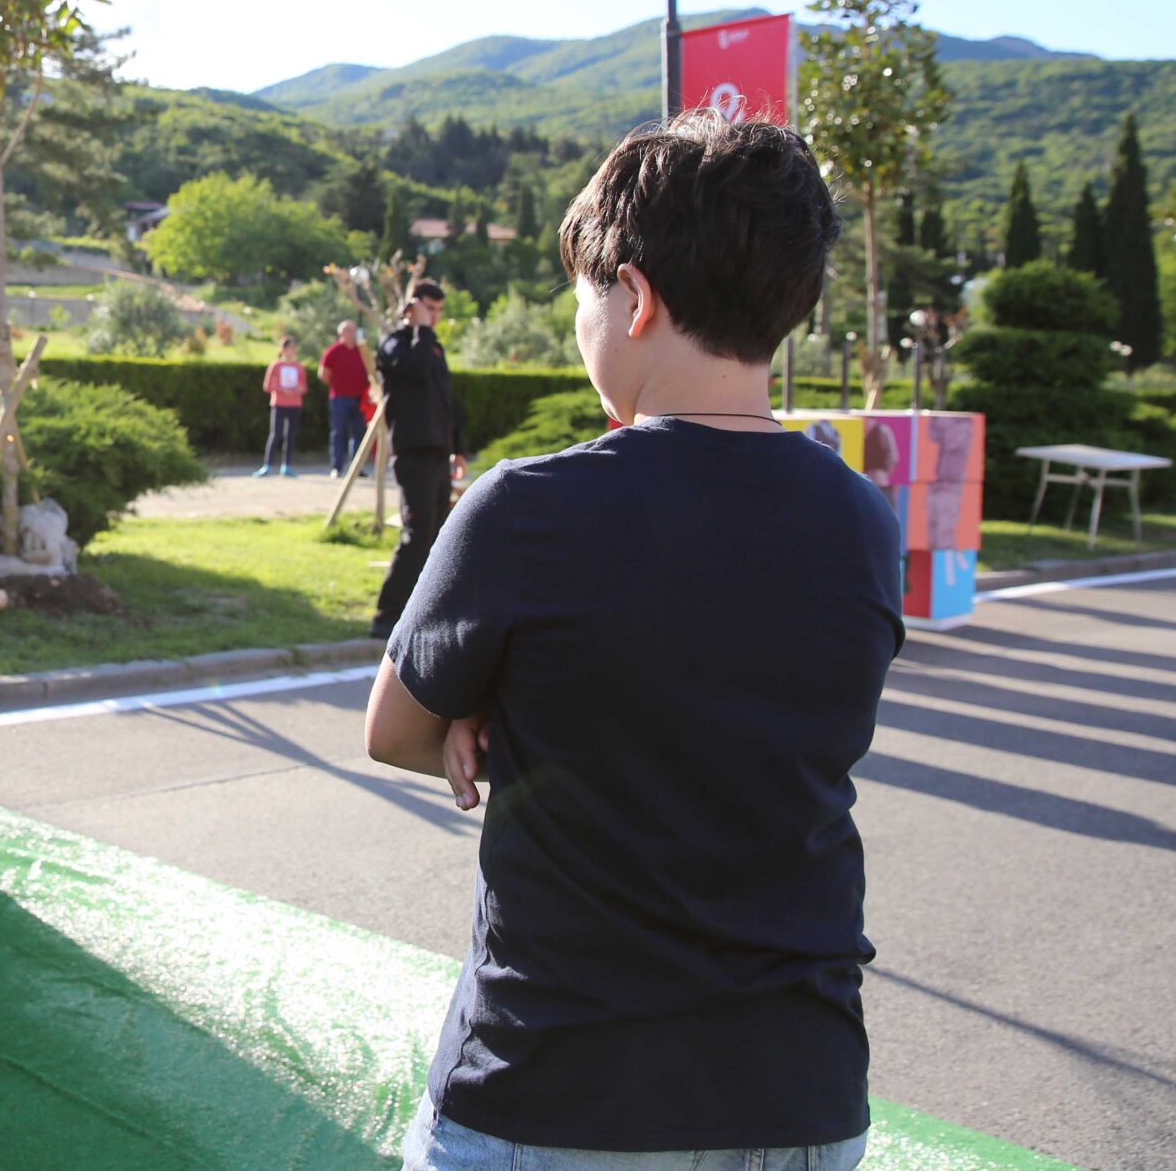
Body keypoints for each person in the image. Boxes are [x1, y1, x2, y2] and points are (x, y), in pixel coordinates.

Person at [364, 116, 899, 1170]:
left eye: (582, 295)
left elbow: (394, 731)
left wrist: (488, 711)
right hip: (799, 1093)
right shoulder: (861, 520)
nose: (581, 323)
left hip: (557, 1087)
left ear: (636, 298)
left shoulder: (529, 508)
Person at [368, 282, 463, 636]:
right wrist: (418, 328)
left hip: (438, 454)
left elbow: (447, 401)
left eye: (438, 311)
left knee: (438, 535)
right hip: (412, 453)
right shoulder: (394, 344)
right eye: (429, 309)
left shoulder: (434, 346)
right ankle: (386, 616)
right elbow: (418, 369)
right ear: (412, 307)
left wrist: (459, 448)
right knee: (417, 533)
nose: (434, 317)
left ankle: (424, 613)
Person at [255, 335, 311, 477]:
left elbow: (304, 387)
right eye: (289, 347)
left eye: (293, 347)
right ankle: (267, 465)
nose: (292, 350)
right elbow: (267, 386)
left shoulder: (299, 367)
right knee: (276, 434)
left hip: (295, 404)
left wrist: (298, 389)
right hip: (279, 404)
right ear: (283, 349)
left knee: (290, 436)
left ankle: (286, 466)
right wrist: (281, 389)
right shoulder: (276, 366)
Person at [321, 319, 372, 474]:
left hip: (360, 399)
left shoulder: (362, 351)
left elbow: (371, 370)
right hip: (339, 398)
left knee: (358, 434)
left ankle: (357, 468)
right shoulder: (333, 351)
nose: (351, 333)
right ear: (341, 333)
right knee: (338, 433)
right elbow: (323, 374)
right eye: (348, 330)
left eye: (353, 330)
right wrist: (337, 386)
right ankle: (337, 467)